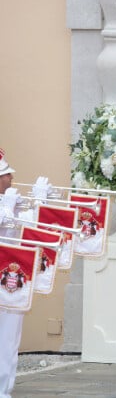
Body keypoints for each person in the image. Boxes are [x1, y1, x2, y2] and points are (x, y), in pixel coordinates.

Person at [0, 149, 22, 398]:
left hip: (8, 278)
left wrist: (42, 202)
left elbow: (21, 230)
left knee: (8, 337)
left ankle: (3, 389)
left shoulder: (9, 201)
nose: (11, 177)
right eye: (6, 174)